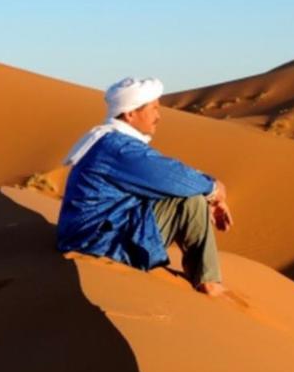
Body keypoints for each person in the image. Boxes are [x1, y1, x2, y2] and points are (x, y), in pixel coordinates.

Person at [56, 76, 234, 296]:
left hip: (98, 233)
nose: (158, 116)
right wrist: (214, 189)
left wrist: (206, 188)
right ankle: (208, 282)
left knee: (189, 194)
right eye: (154, 109)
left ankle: (204, 276)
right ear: (131, 114)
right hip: (101, 244)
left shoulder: (111, 142)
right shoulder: (119, 149)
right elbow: (173, 178)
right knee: (190, 200)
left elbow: (166, 173)